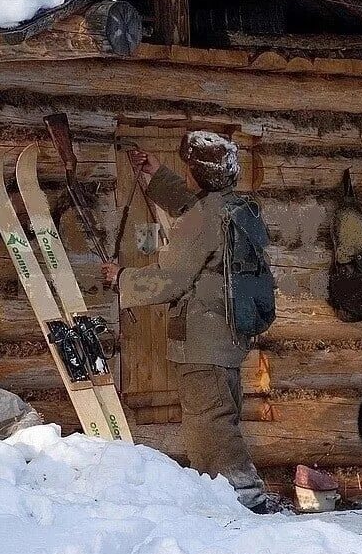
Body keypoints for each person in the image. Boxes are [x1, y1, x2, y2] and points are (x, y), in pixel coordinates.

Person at [101, 131, 270, 513]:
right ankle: (229, 493)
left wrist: (121, 277)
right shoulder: (234, 208)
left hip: (202, 338)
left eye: (188, 168)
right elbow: (195, 210)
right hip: (228, 334)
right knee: (221, 413)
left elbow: (171, 279)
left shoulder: (202, 219)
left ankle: (243, 496)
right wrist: (157, 175)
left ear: (196, 172)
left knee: (209, 419)